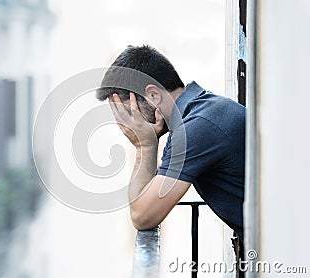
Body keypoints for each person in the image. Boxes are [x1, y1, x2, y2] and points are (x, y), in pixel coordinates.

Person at [96, 45, 245, 240]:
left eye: (127, 112)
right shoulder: (198, 114)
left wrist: (144, 146)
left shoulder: (196, 129)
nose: (127, 123)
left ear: (153, 95)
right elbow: (145, 200)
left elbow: (143, 216)